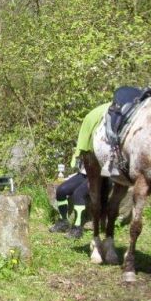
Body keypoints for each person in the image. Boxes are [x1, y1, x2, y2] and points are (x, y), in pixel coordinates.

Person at [51, 102, 112, 238]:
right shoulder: (89, 140)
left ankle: (77, 228)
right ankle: (63, 221)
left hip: (101, 175)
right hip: (85, 173)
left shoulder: (108, 140)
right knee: (61, 190)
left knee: (79, 194)